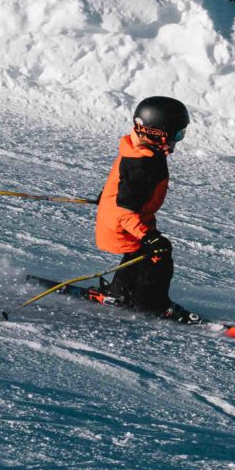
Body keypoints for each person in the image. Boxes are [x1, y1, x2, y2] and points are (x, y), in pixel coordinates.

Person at [95, 95, 190, 315]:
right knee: (157, 254)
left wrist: (109, 196)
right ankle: (152, 305)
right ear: (157, 133)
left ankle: (120, 293)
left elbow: (123, 183)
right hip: (123, 224)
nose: (178, 139)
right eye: (177, 134)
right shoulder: (142, 165)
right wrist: (149, 236)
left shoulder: (141, 149)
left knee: (140, 253)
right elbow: (126, 213)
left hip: (122, 215)